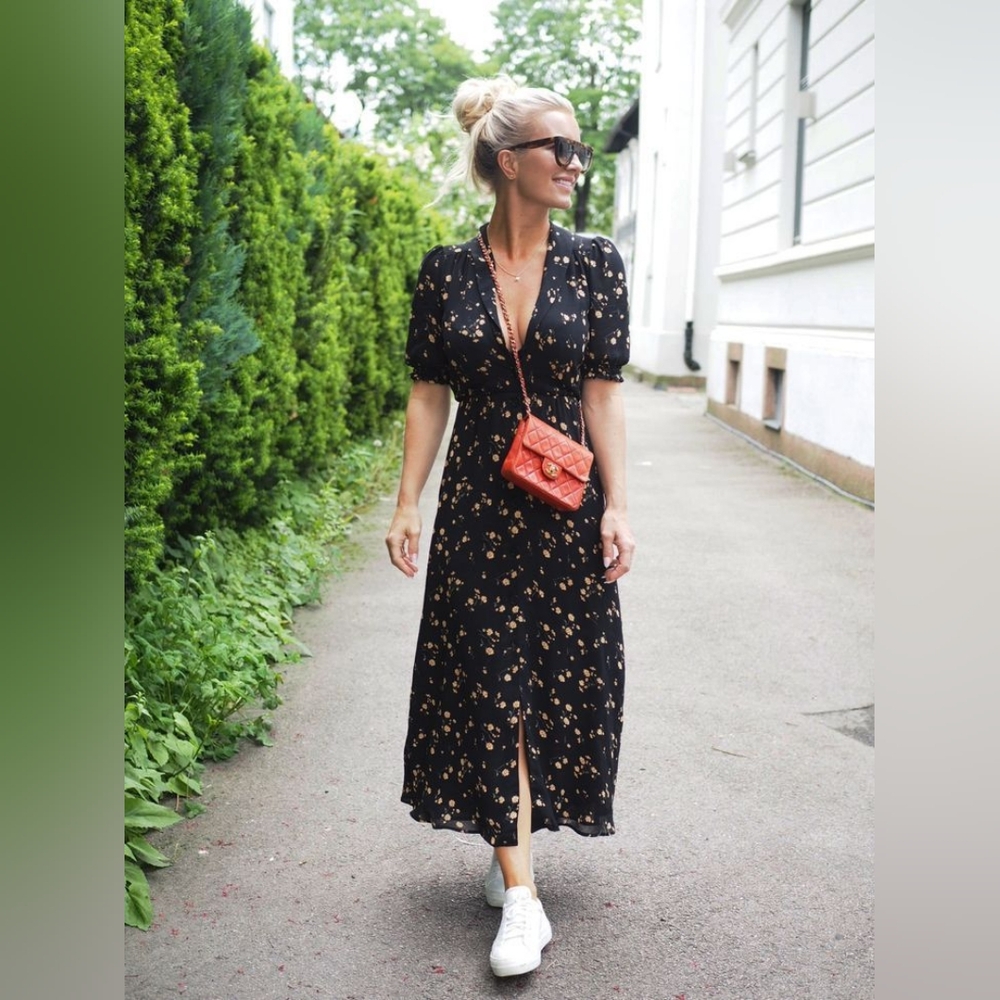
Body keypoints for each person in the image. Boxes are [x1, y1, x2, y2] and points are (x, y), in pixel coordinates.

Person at [385, 74, 635, 979]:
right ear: (505, 162)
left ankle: (512, 838)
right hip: (480, 512)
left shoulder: (596, 262)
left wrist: (620, 503)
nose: (575, 163)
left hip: (566, 508)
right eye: (557, 149)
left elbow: (602, 398)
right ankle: (521, 897)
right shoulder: (446, 270)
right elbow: (427, 394)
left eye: (578, 149)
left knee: (557, 681)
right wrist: (408, 500)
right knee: (490, 684)